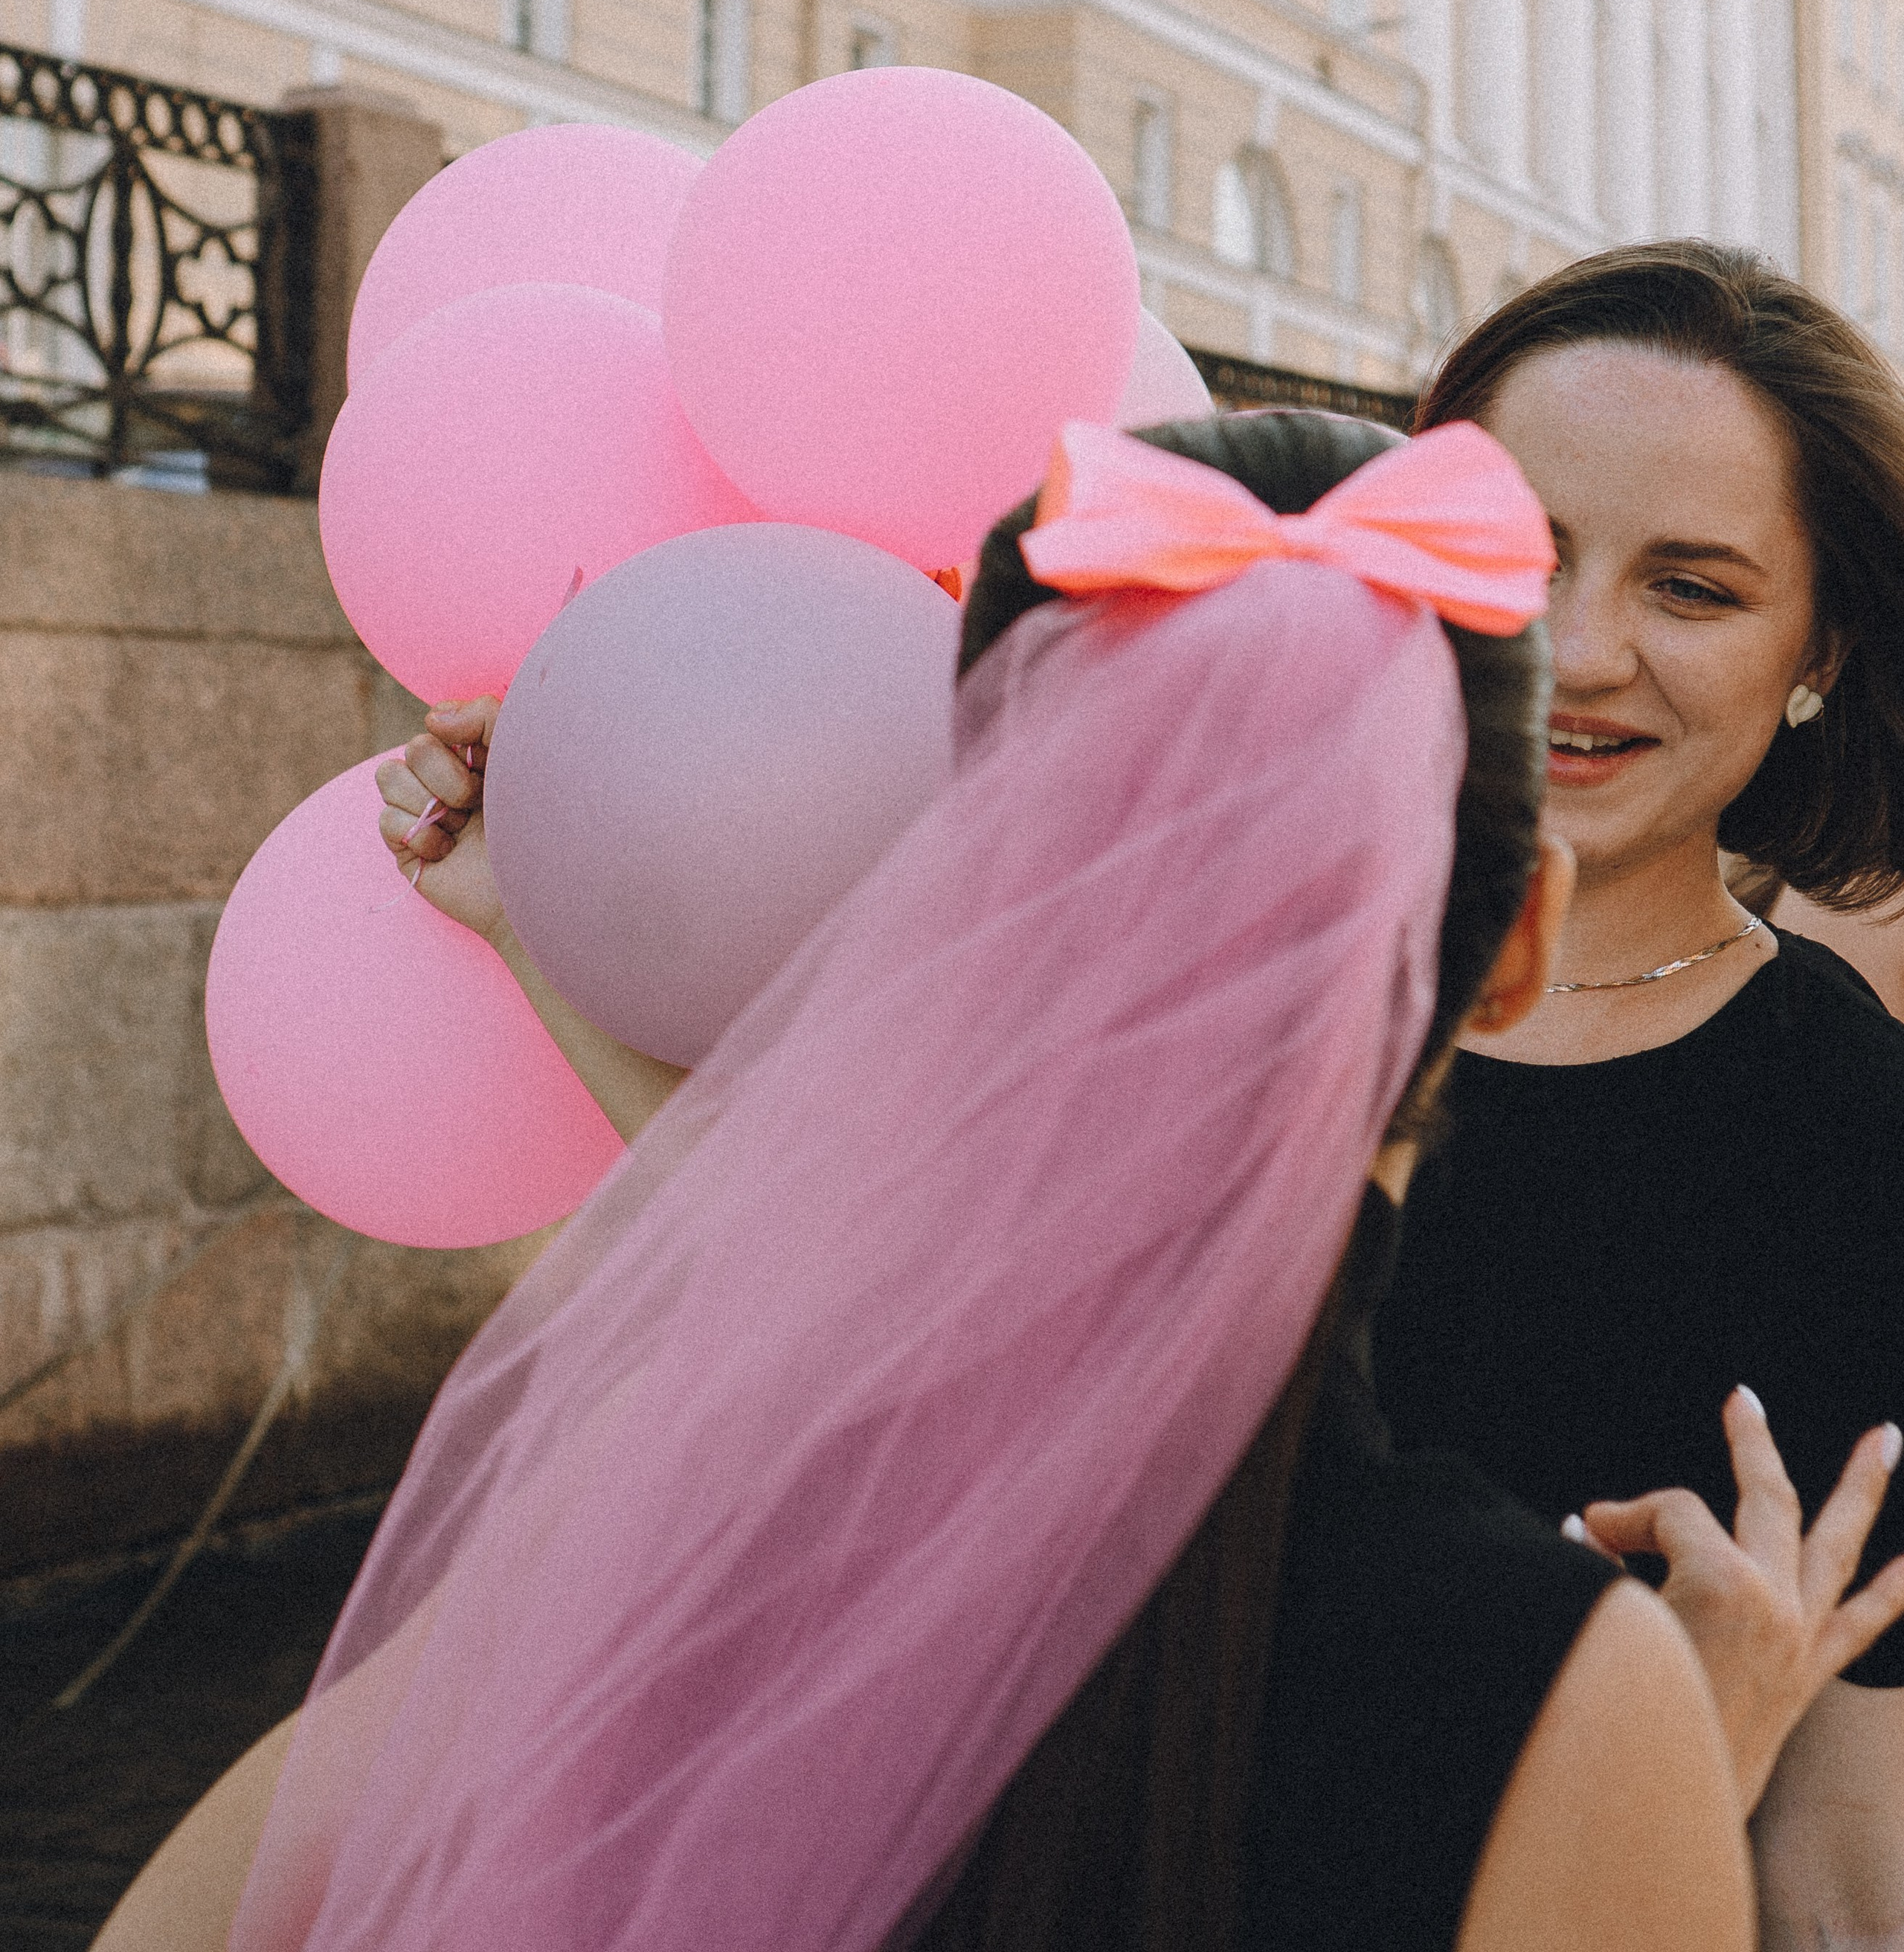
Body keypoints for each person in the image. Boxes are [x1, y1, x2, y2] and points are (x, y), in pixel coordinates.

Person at [97, 407, 1901, 1952]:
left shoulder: (660, 1537)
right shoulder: (1549, 1703)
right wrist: (1679, 1758)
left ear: (977, 899)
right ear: (1512, 944)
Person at [1372, 241, 1904, 1948]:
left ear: (1816, 651)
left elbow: (1838, 1873)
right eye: (1517, 556)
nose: (1575, 648)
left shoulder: (1850, 1139)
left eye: (1690, 588)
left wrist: (1676, 1747)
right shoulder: (1210, 1000)